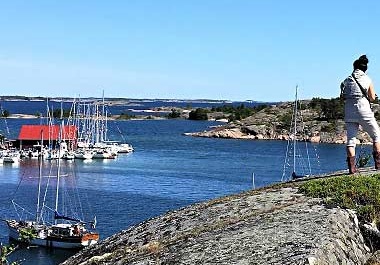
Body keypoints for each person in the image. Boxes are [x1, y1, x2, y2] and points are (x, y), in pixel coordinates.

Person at [340, 55, 380, 174]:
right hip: (364, 110)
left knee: (351, 140)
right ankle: (378, 165)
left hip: (349, 111)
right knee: (376, 135)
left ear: (354, 67)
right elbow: (372, 98)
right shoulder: (367, 79)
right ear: (365, 69)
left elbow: (342, 97)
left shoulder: (346, 80)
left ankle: (352, 168)